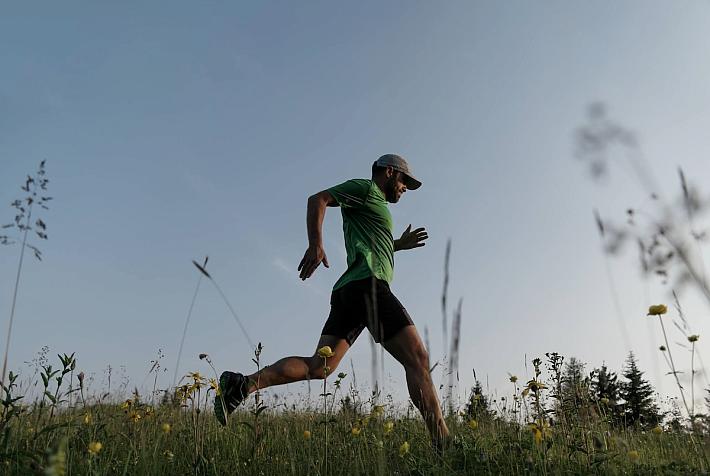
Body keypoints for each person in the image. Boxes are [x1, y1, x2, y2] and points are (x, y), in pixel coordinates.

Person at [214, 153, 450, 448]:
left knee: (319, 367)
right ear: (389, 172)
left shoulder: (373, 204)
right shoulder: (366, 189)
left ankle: (242, 384)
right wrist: (316, 244)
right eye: (404, 181)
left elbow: (372, 244)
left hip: (349, 291)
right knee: (418, 358)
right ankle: (444, 443)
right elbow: (319, 199)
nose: (405, 188)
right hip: (367, 286)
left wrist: (397, 245)